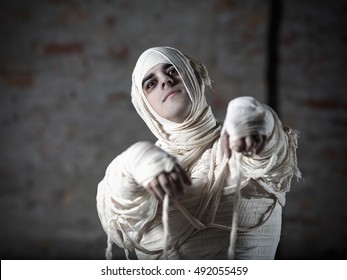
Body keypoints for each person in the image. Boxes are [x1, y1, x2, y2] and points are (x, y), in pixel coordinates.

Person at [96, 46, 300, 260]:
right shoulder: (142, 170)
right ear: (144, 105)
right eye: (151, 83)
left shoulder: (240, 143)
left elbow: (269, 152)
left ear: (195, 77)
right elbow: (120, 210)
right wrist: (136, 159)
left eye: (173, 70)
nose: (165, 80)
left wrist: (256, 117)